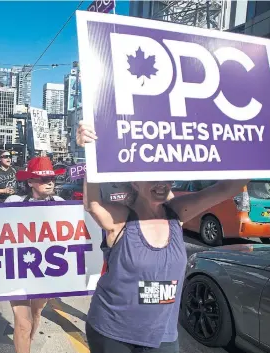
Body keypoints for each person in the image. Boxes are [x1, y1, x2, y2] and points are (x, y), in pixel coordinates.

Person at [76, 122, 249, 353]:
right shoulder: (121, 217)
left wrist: (253, 146)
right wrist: (91, 151)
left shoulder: (177, 211)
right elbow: (93, 204)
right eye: (153, 178)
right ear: (135, 182)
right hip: (113, 333)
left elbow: (225, 189)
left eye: (167, 178)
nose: (162, 184)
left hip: (163, 336)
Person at [5, 156, 65, 353]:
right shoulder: (13, 202)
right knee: (22, 322)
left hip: (45, 270)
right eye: (42, 179)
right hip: (19, 269)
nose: (49, 183)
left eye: (51, 179)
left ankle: (27, 346)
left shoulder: (60, 203)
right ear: (30, 182)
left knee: (36, 314)